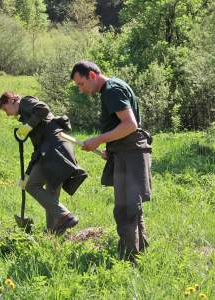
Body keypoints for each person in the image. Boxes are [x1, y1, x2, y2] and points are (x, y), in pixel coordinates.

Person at [70, 61, 152, 261]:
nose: (81, 90)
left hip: (130, 154)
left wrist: (97, 140)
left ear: (92, 75)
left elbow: (130, 125)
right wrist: (110, 148)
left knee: (125, 209)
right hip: (125, 151)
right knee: (132, 207)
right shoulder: (112, 87)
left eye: (81, 84)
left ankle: (128, 260)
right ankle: (140, 254)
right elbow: (121, 126)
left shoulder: (111, 90)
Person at [0, 91, 88, 234]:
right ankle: (53, 236)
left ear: (11, 101)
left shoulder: (25, 102)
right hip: (55, 149)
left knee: (32, 185)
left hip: (54, 150)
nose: (8, 114)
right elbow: (37, 150)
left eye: (5, 109)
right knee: (51, 193)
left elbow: (43, 108)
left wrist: (28, 126)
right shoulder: (27, 115)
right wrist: (27, 174)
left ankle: (65, 215)